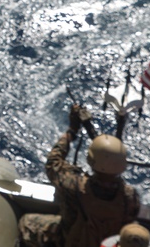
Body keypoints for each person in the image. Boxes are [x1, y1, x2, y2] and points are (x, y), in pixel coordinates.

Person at [18, 105, 141, 247]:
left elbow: (53, 163)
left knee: (26, 223)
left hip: (71, 240)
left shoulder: (73, 186)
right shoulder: (130, 198)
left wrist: (72, 130)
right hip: (106, 244)